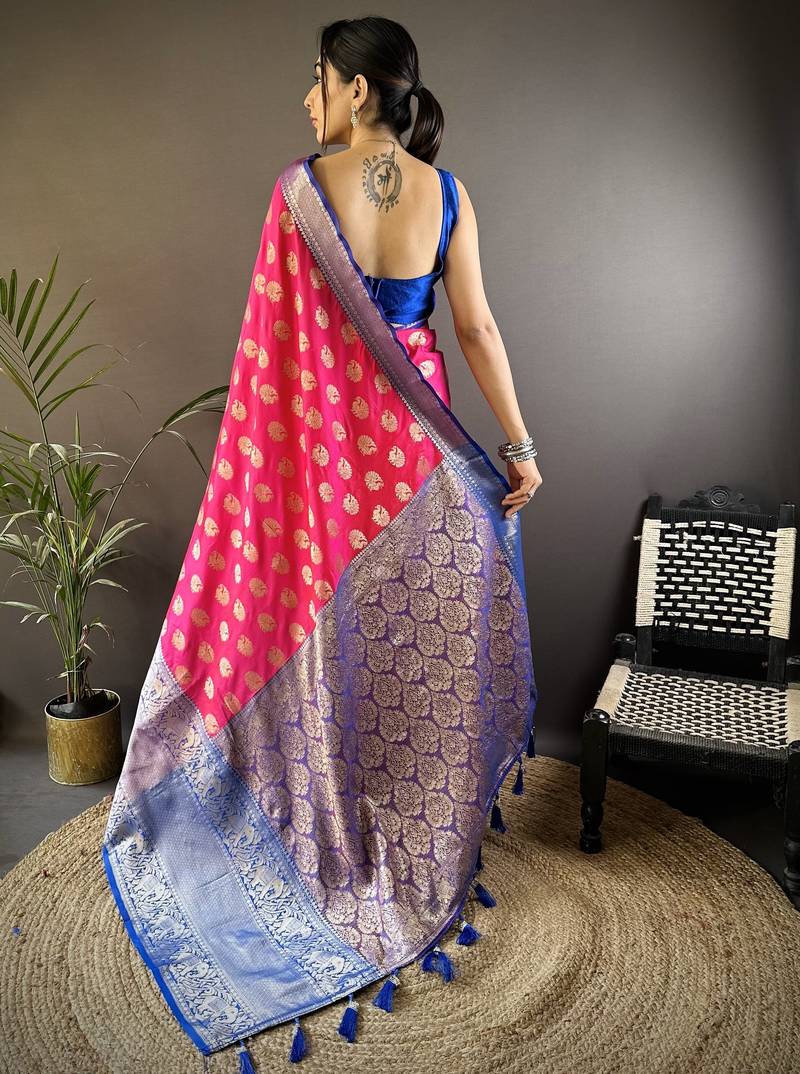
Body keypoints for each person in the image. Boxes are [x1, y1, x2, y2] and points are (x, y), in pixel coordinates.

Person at [101, 15, 540, 1067]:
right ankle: (409, 825)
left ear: (356, 89)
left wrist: (269, 482)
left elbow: (271, 368)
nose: (307, 100)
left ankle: (320, 821)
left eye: (317, 80)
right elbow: (474, 328)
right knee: (401, 657)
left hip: (323, 484)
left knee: (324, 652)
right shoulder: (448, 194)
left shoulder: (298, 192)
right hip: (421, 476)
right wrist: (520, 447)